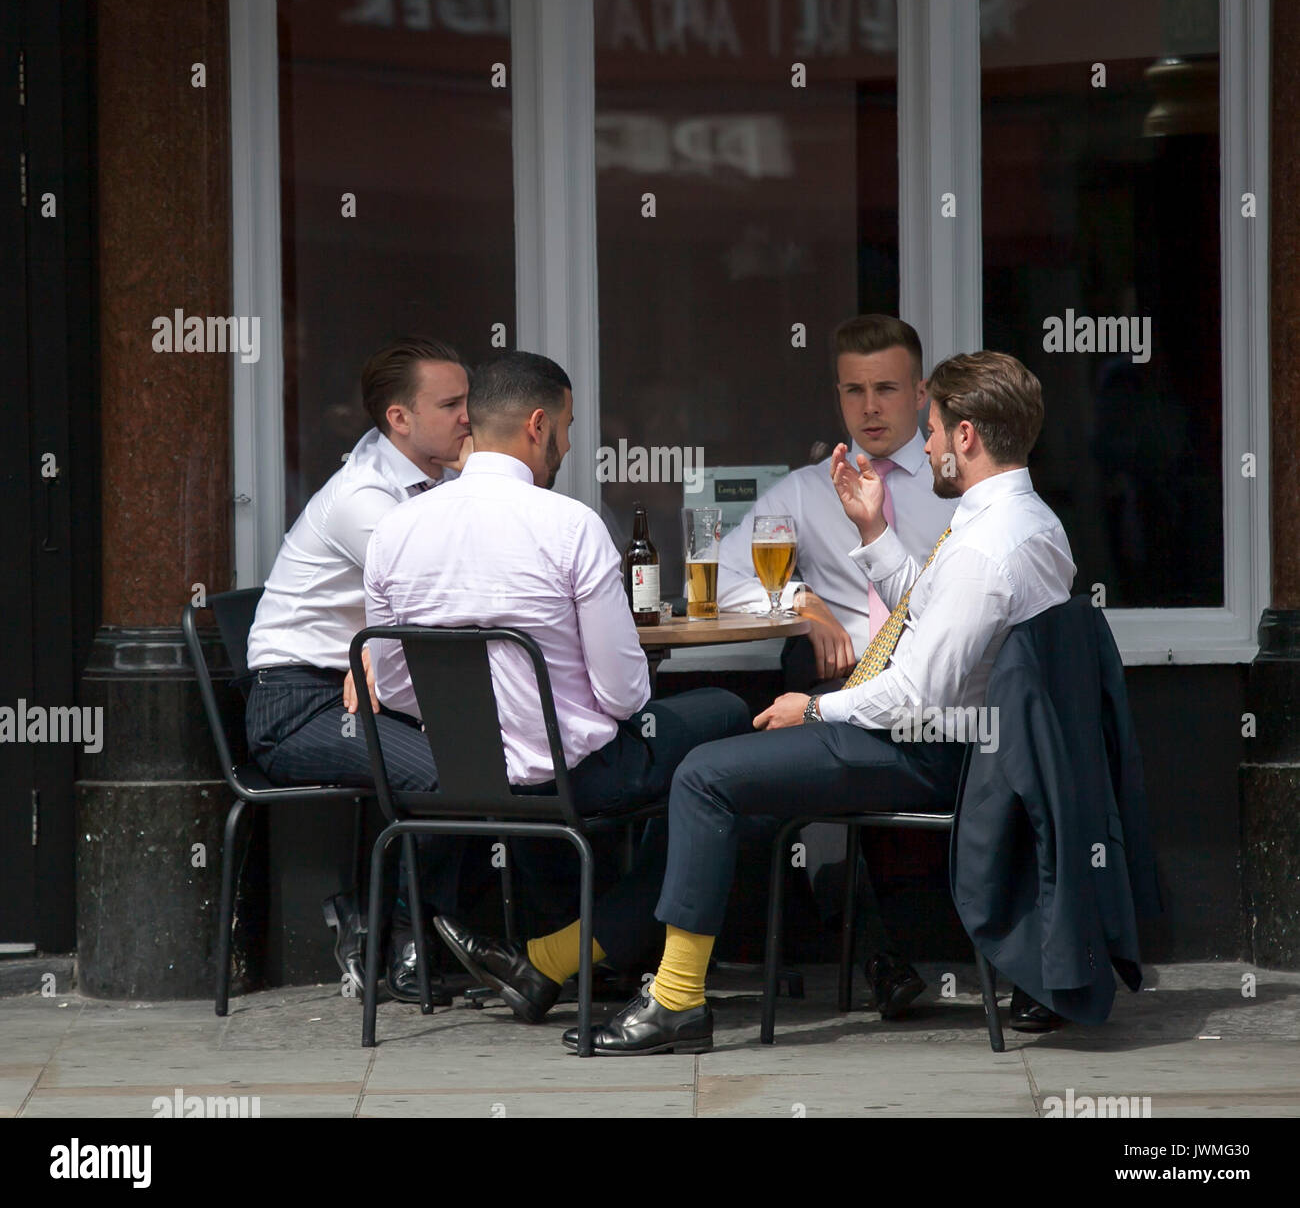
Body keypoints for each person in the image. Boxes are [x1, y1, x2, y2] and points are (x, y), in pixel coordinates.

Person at [561, 350, 1076, 1054]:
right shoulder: (1023, 521)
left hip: (932, 745)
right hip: (958, 737)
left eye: (930, 429)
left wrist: (813, 707)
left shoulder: (985, 546)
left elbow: (916, 691)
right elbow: (930, 615)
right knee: (742, 773)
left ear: (966, 438)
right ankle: (597, 958)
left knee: (704, 774)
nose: (923, 445)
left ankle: (676, 999)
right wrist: (872, 530)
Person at [362, 350, 751, 1021]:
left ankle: (566, 953)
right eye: (567, 428)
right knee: (730, 719)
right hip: (578, 780)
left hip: (453, 781)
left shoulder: (394, 531)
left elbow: (394, 687)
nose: (568, 445)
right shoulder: (569, 526)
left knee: (702, 771)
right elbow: (628, 696)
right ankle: (617, 949)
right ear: (538, 425)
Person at [717, 314, 954, 1016]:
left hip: (942, 691)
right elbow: (728, 576)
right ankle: (878, 957)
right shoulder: (804, 491)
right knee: (796, 774)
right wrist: (799, 599)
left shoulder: (955, 485)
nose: (870, 408)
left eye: (886, 388)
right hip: (846, 683)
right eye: (854, 391)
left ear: (920, 393)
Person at [244, 337, 471, 1004]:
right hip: (296, 704)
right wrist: (372, 649)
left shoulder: (446, 482)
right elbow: (438, 595)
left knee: (483, 758)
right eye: (452, 404)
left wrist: (374, 652)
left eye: (470, 402)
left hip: (368, 690)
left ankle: (405, 924)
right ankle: (404, 943)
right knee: (446, 770)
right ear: (399, 419)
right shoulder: (363, 497)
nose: (469, 417)